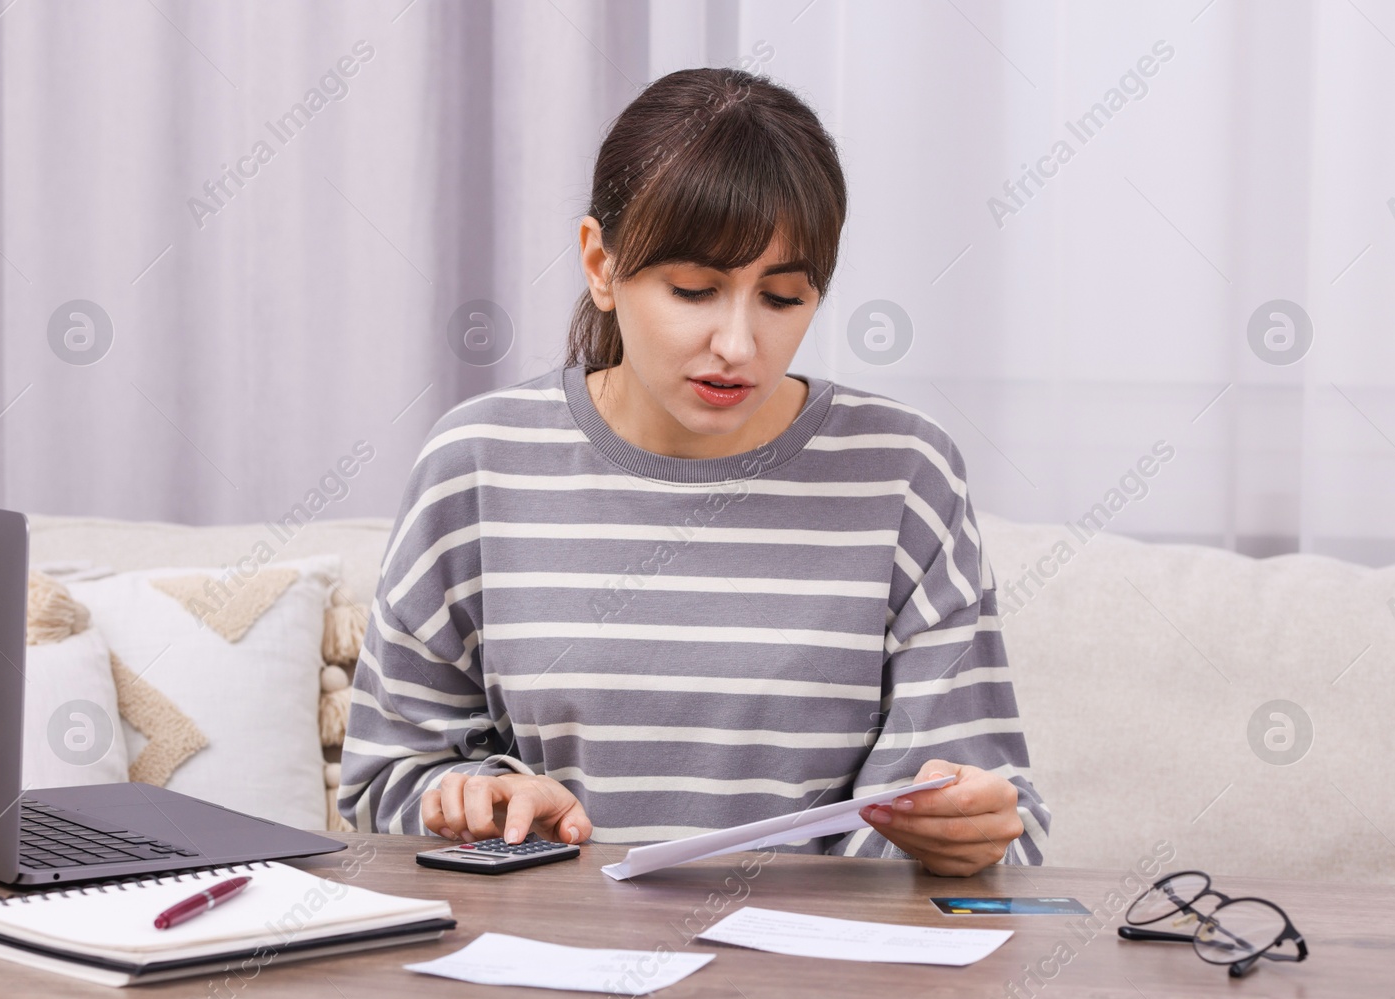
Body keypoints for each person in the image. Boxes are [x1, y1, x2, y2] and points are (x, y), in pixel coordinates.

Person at [339, 66, 1049, 875]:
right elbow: (380, 783)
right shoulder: (477, 464)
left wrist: (968, 829)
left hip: (820, 982)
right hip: (549, 970)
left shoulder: (904, 475)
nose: (740, 345)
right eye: (694, 290)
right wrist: (483, 801)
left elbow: (999, 818)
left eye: (783, 298)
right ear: (601, 265)